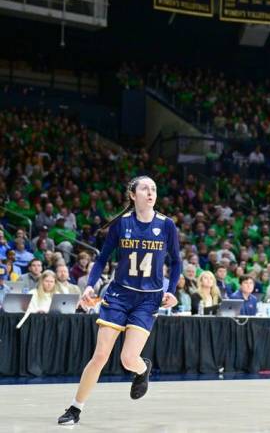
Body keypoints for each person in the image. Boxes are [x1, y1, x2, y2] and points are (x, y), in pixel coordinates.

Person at [57, 176, 181, 425]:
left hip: (149, 299)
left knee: (127, 359)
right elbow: (102, 259)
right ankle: (75, 408)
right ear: (133, 195)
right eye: (145, 188)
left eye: (154, 189)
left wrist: (173, 290)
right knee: (101, 355)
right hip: (119, 294)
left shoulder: (167, 225)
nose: (151, 192)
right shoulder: (120, 224)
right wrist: (89, 286)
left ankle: (143, 369)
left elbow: (176, 261)